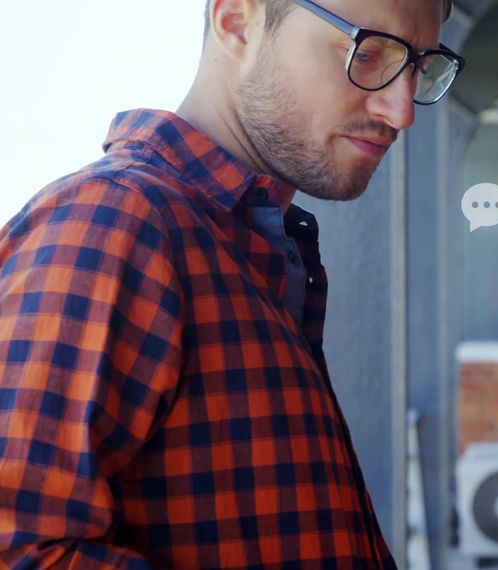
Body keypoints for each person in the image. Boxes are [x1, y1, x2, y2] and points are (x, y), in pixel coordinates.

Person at [0, 0, 463, 567]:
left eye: (419, 66)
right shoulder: (114, 221)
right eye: (367, 55)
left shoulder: (252, 242)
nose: (401, 110)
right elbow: (17, 549)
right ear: (236, 22)